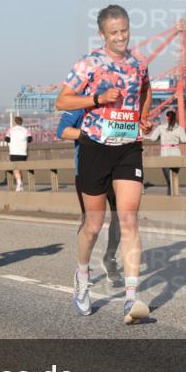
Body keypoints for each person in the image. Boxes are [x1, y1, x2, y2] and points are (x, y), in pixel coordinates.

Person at [56, 4, 153, 324]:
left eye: (124, 30)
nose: (121, 37)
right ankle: (82, 279)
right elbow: (63, 101)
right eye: (114, 32)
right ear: (102, 34)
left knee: (129, 219)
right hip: (95, 147)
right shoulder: (88, 64)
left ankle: (131, 299)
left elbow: (145, 89)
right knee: (94, 225)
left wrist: (143, 116)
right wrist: (97, 99)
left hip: (128, 147)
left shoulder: (139, 64)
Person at [57, 109, 122, 285]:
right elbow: (61, 130)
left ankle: (110, 258)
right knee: (89, 222)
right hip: (88, 170)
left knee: (122, 217)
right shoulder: (80, 103)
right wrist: (91, 136)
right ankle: (84, 268)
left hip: (117, 169)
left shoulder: (119, 101)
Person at [147, 110, 186, 196]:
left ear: (166, 117)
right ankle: (174, 196)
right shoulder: (179, 128)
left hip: (164, 153)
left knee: (169, 180)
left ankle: (170, 197)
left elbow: (153, 138)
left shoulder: (161, 127)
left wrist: (160, 137)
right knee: (174, 178)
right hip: (176, 153)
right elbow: (185, 140)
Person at [5, 116, 32, 192]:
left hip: (13, 152)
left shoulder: (10, 130)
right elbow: (30, 139)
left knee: (16, 169)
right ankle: (20, 184)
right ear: (22, 122)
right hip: (23, 152)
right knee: (19, 169)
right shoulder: (26, 130)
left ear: (15, 122)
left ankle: (19, 183)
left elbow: (6, 139)